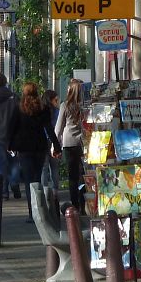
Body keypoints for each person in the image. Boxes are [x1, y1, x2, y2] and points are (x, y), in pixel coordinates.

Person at [9, 82, 61, 222]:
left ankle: (32, 212)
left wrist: (10, 145)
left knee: (28, 180)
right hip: (39, 147)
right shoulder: (42, 108)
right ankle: (40, 210)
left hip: (24, 148)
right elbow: (49, 128)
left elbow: (12, 128)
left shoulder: (19, 108)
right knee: (37, 178)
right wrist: (56, 145)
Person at [55, 79, 87, 212]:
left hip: (69, 143)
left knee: (72, 176)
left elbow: (58, 127)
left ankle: (75, 205)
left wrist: (55, 145)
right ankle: (84, 201)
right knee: (83, 174)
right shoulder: (85, 105)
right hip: (84, 143)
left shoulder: (65, 105)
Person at [42, 89, 61, 191]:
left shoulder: (42, 112)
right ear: (51, 100)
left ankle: (44, 192)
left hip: (44, 140)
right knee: (54, 167)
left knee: (44, 168)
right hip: (55, 141)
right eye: (56, 100)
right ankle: (55, 191)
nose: (57, 102)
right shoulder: (57, 112)